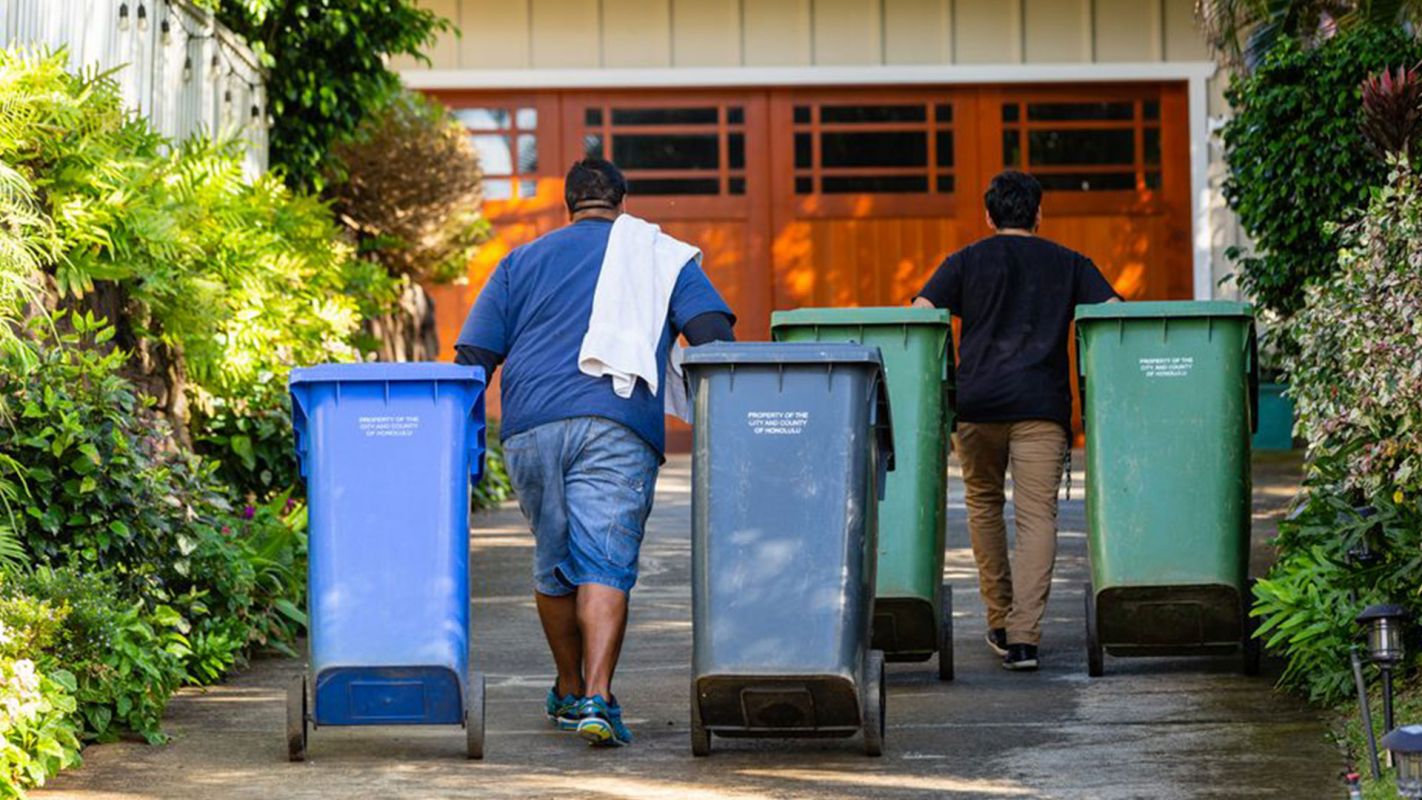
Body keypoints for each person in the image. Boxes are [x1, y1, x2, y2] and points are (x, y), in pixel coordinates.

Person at [454, 158, 735, 746]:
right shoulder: (655, 253)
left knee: (555, 560)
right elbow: (713, 335)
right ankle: (598, 698)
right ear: (622, 204)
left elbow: (473, 358)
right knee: (605, 561)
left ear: (568, 206)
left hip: (530, 427)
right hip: (615, 419)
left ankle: (566, 685)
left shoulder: (520, 261)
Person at [913, 170, 1118, 672]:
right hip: (1040, 408)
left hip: (978, 404)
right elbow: (1114, 313)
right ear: (1038, 214)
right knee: (1036, 519)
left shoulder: (965, 261)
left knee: (983, 507)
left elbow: (919, 313)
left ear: (988, 216)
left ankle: (1000, 621)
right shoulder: (1069, 263)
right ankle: (1025, 639)